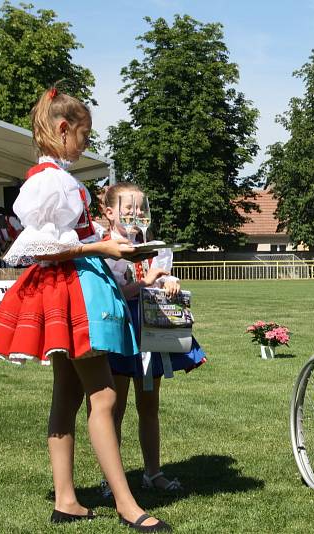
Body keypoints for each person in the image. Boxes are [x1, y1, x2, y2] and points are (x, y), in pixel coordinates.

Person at [0, 86, 171, 532]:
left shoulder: (56, 178)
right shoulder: (52, 181)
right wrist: (104, 244)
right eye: (84, 135)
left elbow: (64, 241)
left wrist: (106, 245)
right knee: (102, 396)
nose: (87, 144)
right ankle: (126, 505)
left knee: (66, 393)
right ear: (63, 129)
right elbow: (40, 246)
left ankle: (66, 499)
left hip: (68, 287)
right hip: (71, 291)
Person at [98, 181, 207, 498]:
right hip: (119, 332)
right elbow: (111, 295)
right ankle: (110, 479)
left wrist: (169, 281)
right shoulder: (105, 249)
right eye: (127, 209)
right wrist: (145, 281)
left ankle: (152, 472)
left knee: (149, 407)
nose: (135, 215)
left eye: (140, 209)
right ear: (109, 212)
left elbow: (161, 281)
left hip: (151, 333)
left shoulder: (156, 247)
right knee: (113, 408)